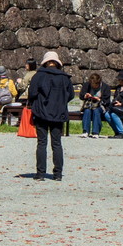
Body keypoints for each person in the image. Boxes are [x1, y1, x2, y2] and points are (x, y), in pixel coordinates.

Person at [26, 51, 73, 180]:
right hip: (58, 113)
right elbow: (70, 95)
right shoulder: (65, 78)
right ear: (57, 63)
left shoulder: (38, 76)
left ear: (45, 62)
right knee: (56, 143)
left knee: (42, 143)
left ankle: (40, 173)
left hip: (41, 112)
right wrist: (60, 101)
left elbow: (32, 93)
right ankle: (58, 174)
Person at [78, 73, 105, 138]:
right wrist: (85, 96)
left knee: (96, 111)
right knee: (87, 111)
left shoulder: (105, 87)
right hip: (89, 105)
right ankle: (85, 131)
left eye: (95, 85)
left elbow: (107, 101)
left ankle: (95, 132)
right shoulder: (86, 85)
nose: (93, 86)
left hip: (100, 106)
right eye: (92, 84)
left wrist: (99, 99)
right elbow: (81, 96)